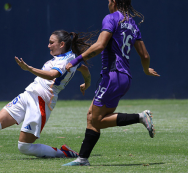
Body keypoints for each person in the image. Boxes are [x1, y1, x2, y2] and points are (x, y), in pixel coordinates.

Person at [0, 30, 96, 158]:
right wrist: (87, 83)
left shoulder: (65, 61)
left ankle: (63, 153)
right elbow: (85, 69)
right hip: (28, 94)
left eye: (51, 42)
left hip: (42, 101)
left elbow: (52, 75)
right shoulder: (70, 60)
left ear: (62, 44)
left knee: (24, 147)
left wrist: (29, 69)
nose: (48, 45)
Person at [62, 0, 160, 166]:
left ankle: (141, 117)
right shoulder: (132, 24)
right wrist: (146, 70)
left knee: (96, 120)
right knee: (92, 116)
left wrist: (77, 59)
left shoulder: (111, 18)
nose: (107, 2)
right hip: (124, 77)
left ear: (114, 1)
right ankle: (83, 159)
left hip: (112, 76)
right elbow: (144, 55)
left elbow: (100, 45)